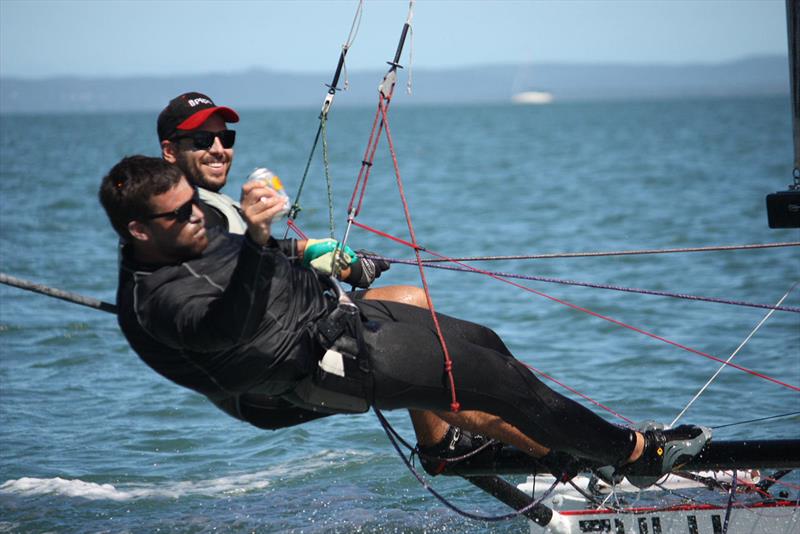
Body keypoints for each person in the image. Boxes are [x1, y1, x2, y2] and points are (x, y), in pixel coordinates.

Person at [99, 155, 711, 488]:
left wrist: (305, 251)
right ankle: (636, 455)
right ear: (138, 230)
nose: (199, 219)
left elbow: (254, 259)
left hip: (340, 323)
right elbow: (230, 325)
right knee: (506, 388)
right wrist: (259, 238)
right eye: (181, 216)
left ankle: (515, 452)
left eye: (195, 205)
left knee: (483, 343)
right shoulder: (155, 300)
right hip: (329, 365)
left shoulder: (188, 237)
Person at [155, 91, 467, 460]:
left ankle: (444, 442)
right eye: (203, 140)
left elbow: (252, 256)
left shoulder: (210, 206)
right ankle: (461, 445)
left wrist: (315, 252)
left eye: (227, 138)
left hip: (282, 351)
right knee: (427, 343)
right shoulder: (183, 214)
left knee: (411, 303)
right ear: (170, 151)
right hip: (268, 379)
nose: (219, 148)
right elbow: (238, 270)